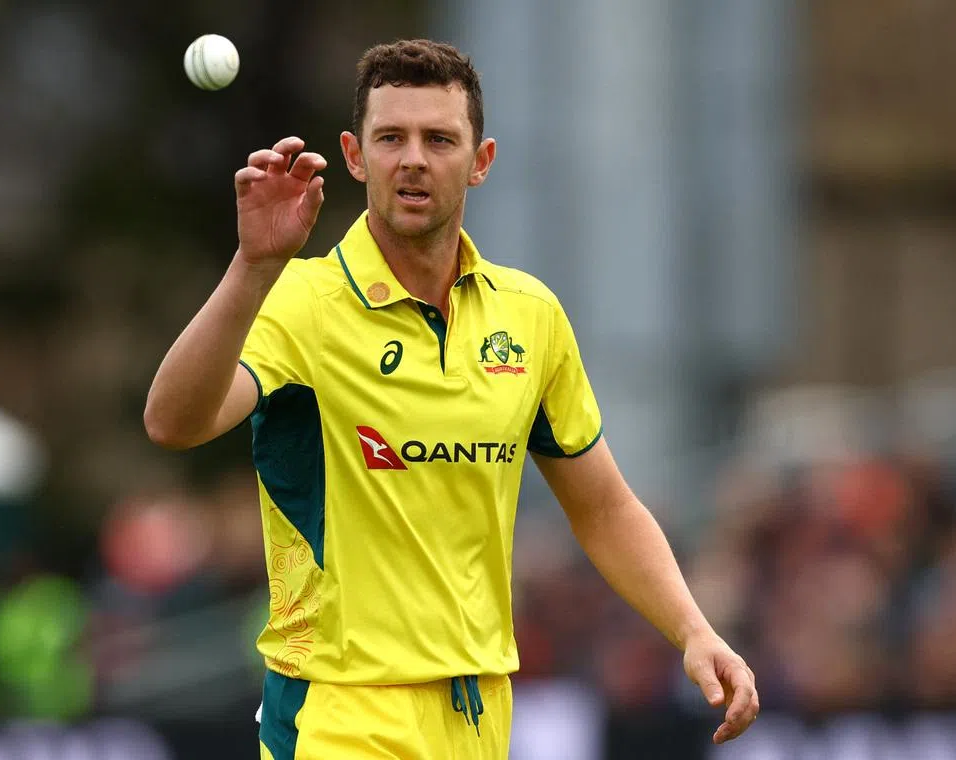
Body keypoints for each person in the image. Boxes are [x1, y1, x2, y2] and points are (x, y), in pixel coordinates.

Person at [144, 38, 759, 760]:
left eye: (439, 139)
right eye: (390, 138)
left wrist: (693, 629)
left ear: (480, 160)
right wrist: (253, 267)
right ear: (353, 154)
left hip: (478, 711)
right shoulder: (301, 300)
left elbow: (604, 506)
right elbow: (173, 422)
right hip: (338, 710)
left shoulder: (530, 316)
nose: (413, 158)